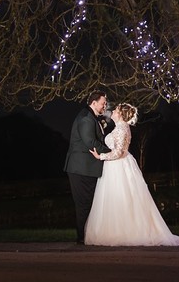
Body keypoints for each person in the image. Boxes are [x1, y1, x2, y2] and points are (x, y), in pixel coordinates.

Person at [85, 103, 179, 246]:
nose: (112, 111)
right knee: (119, 198)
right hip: (116, 166)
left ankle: (124, 232)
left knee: (122, 197)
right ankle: (118, 230)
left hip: (118, 166)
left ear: (120, 114)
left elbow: (118, 152)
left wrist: (100, 156)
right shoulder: (120, 127)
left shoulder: (121, 128)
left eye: (115, 110)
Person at [63, 90, 109, 244]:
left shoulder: (93, 118)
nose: (105, 106)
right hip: (82, 168)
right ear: (94, 103)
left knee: (89, 203)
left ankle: (87, 236)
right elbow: (90, 142)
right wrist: (111, 152)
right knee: (84, 203)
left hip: (87, 168)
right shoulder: (86, 118)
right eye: (103, 103)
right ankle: (82, 238)